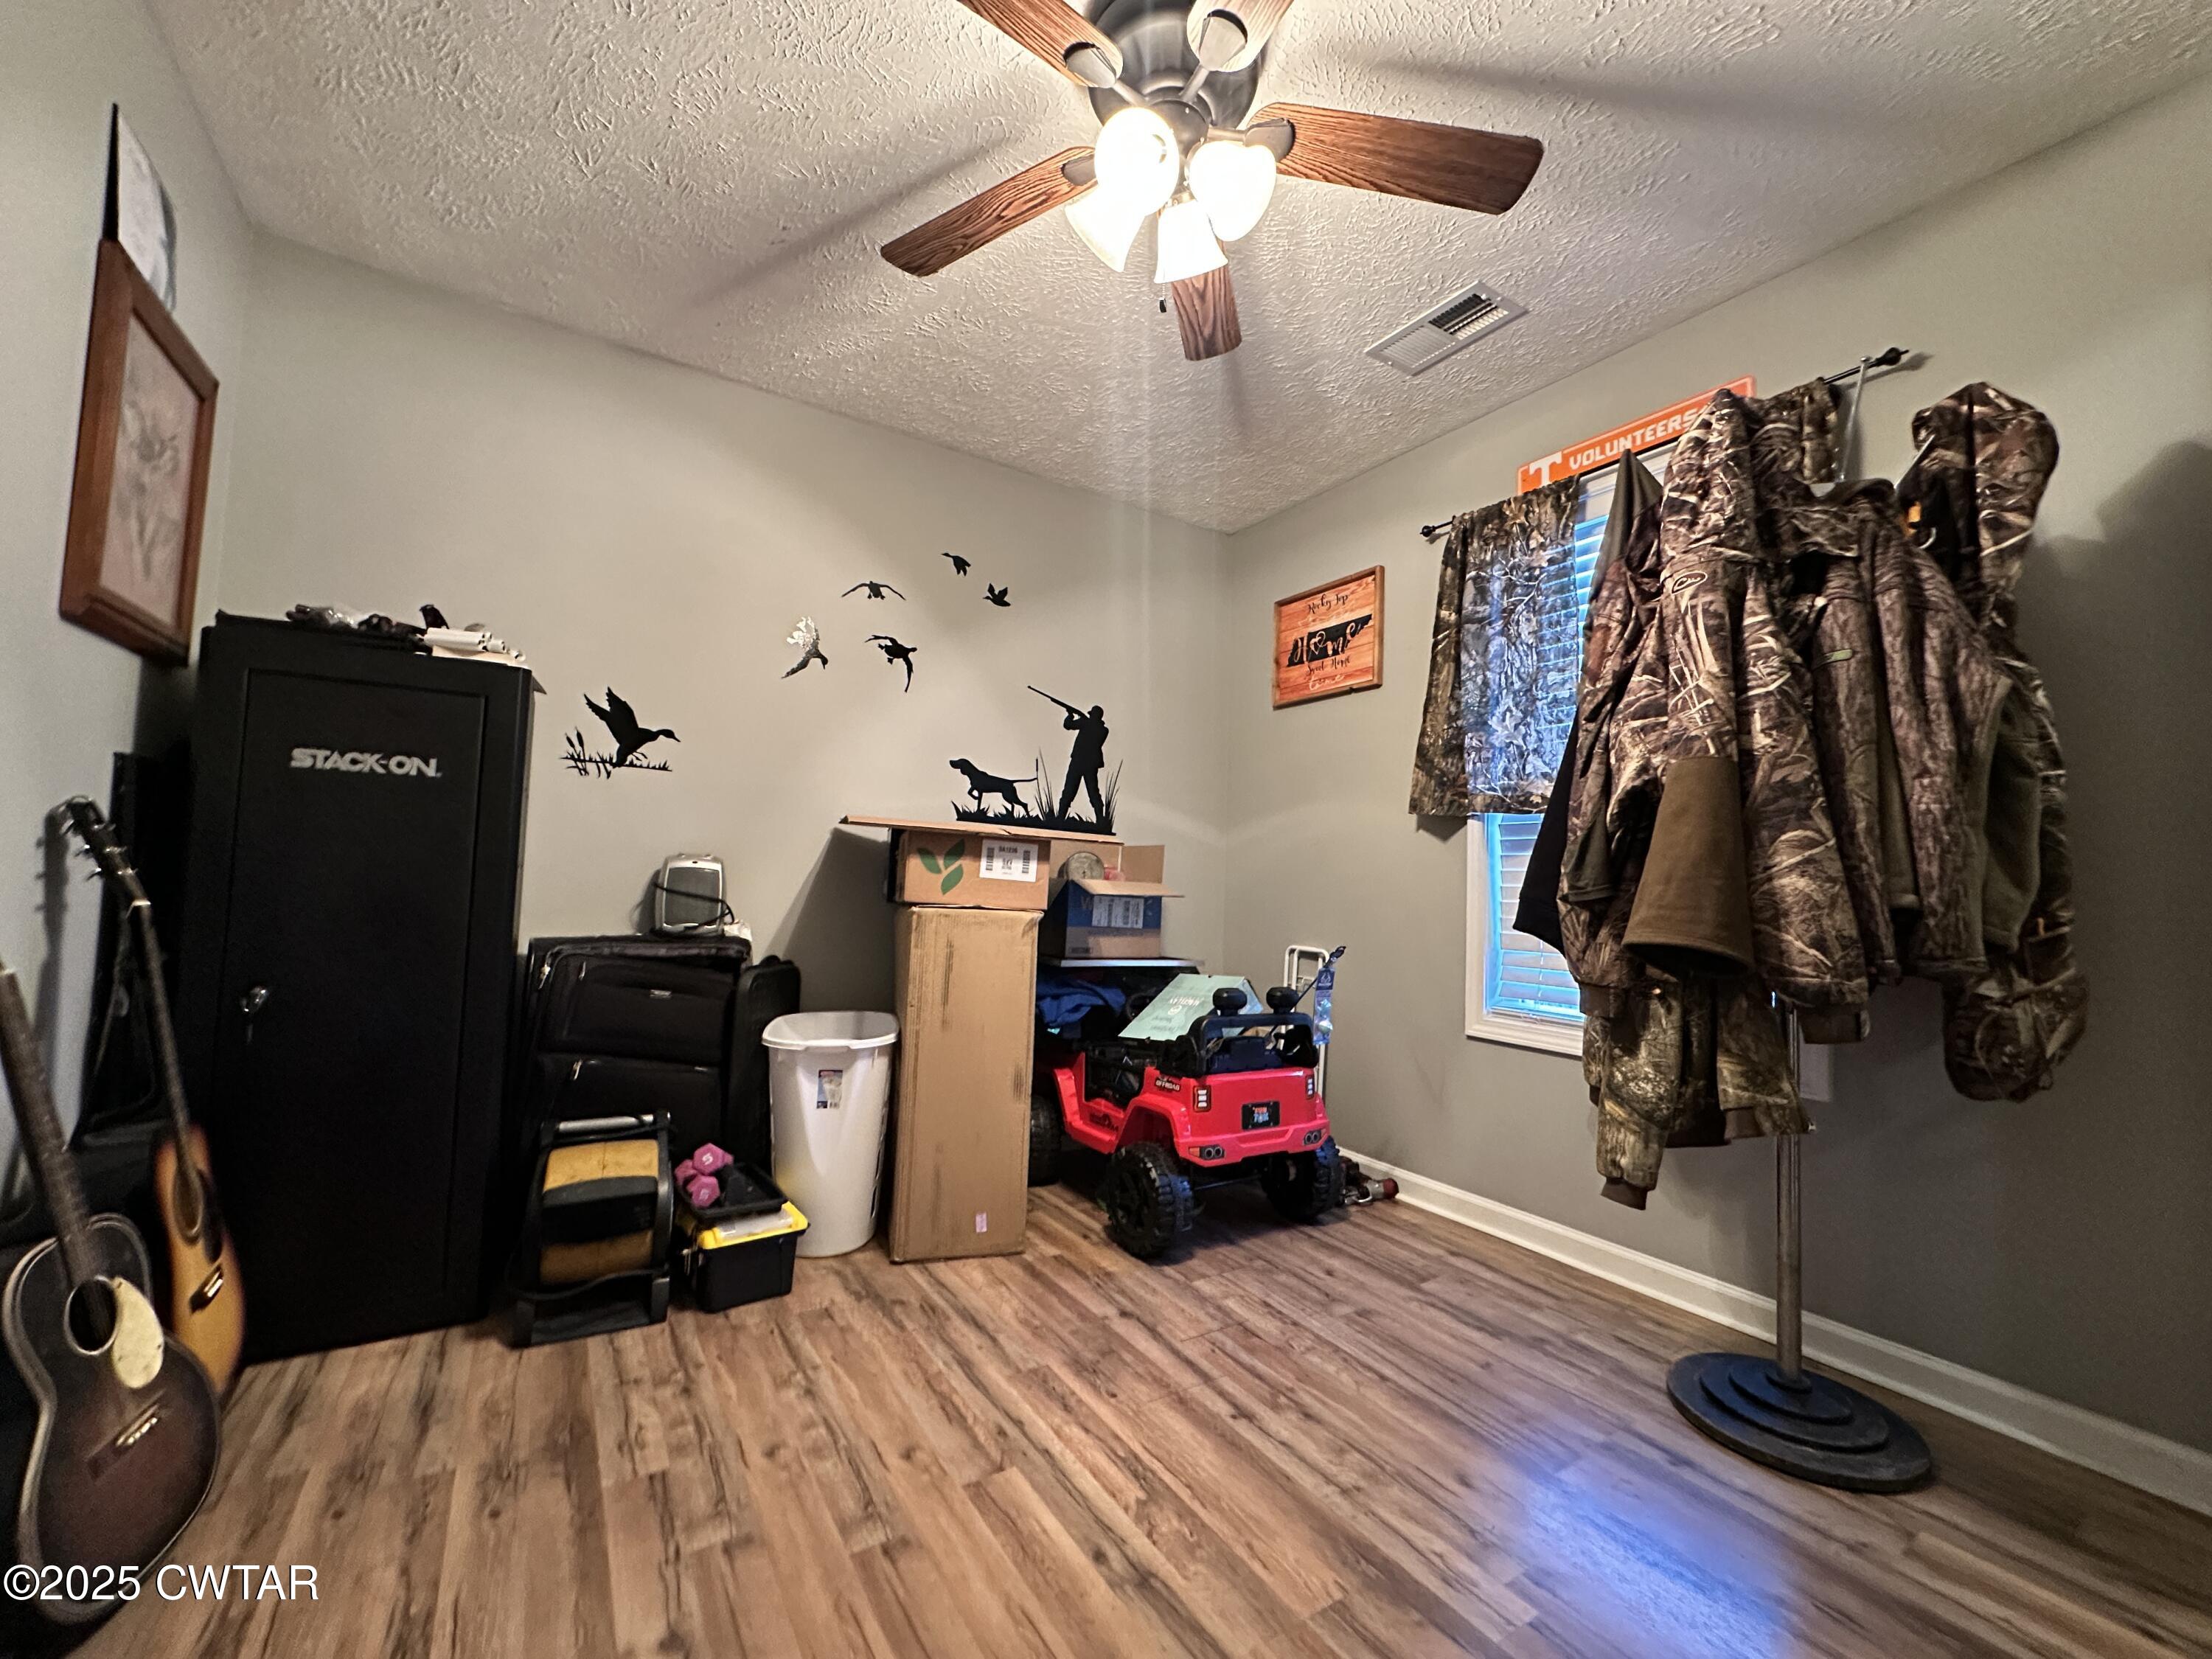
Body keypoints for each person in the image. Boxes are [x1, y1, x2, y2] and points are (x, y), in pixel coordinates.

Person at [1057, 704, 1110, 821]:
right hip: (1090, 764)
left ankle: (1060, 818)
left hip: (1079, 761)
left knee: (1071, 790)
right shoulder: (1103, 729)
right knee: (1092, 792)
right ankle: (1100, 819)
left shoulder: (1089, 724)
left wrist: (1070, 716)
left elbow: (1068, 725)